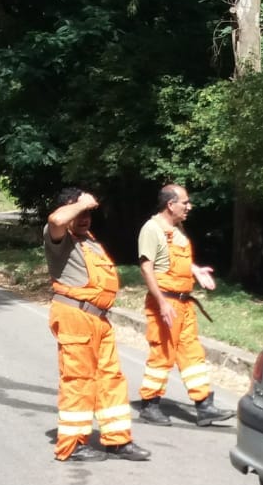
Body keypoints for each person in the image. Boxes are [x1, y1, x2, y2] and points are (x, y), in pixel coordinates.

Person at [44, 188, 150, 462]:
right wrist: (81, 203)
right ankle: (72, 444)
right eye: (79, 212)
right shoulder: (59, 237)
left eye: (89, 213)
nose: (84, 217)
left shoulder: (89, 241)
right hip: (75, 316)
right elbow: (55, 221)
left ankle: (118, 441)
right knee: (78, 381)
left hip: (99, 320)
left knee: (110, 378)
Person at [134, 183, 234, 426]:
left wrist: (196, 270)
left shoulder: (177, 229)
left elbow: (174, 261)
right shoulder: (152, 229)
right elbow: (147, 268)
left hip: (184, 304)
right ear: (171, 204)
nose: (189, 206)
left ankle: (204, 406)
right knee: (163, 354)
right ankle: (150, 405)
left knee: (191, 353)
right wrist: (161, 303)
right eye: (185, 202)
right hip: (165, 303)